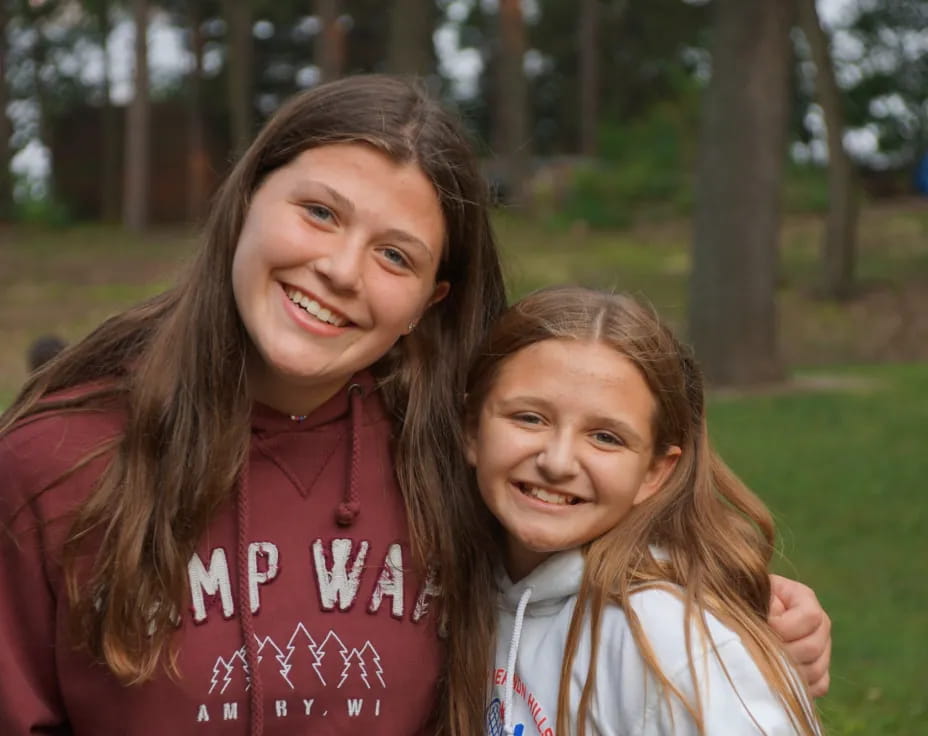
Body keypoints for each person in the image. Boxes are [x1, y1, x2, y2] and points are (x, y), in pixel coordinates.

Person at [0, 76, 827, 736]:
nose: (341, 270)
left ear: (431, 300)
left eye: (394, 254)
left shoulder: (442, 455)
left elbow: (587, 514)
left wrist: (738, 612)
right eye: (319, 212)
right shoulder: (56, 466)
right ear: (245, 198)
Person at [464, 287, 824, 735]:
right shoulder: (456, 584)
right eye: (530, 418)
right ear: (471, 430)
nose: (556, 462)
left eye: (605, 437)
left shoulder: (673, 640)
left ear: (655, 472)